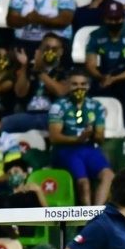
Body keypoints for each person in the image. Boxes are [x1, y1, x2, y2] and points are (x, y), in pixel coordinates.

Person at [49, 69, 114, 206]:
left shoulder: (96, 107)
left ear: (88, 86)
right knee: (83, 183)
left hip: (88, 149)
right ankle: (86, 221)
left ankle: (97, 214)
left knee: (108, 175)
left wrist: (94, 133)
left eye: (83, 84)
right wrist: (77, 139)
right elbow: (54, 137)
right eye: (75, 84)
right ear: (67, 85)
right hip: (66, 150)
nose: (79, 87)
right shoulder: (58, 106)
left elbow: (100, 138)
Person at [85, 0, 125, 130]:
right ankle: (84, 127)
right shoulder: (95, 36)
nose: (114, 22)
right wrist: (101, 77)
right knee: (81, 82)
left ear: (123, 18)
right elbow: (90, 64)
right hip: (103, 74)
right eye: (110, 18)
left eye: (117, 18)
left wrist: (114, 79)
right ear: (104, 18)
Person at [3, 33, 69, 133]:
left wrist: (39, 71)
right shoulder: (29, 69)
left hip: (52, 116)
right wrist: (25, 66)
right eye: (46, 48)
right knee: (3, 124)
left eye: (54, 49)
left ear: (60, 52)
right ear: (39, 50)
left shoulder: (64, 72)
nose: (50, 52)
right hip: (28, 114)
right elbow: (20, 93)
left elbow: (60, 91)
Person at [7, 0, 76, 58]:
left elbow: (65, 20)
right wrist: (27, 19)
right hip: (24, 40)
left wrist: (39, 19)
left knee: (53, 47)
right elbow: (10, 20)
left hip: (54, 41)